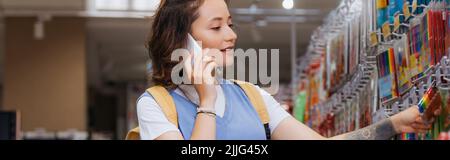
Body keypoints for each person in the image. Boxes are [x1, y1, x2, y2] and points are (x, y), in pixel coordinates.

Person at [137, 0, 441, 140]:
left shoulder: (252, 97)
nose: (231, 35)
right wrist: (206, 102)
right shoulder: (156, 105)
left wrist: (397, 124)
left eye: (230, 24)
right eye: (216, 27)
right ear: (181, 40)